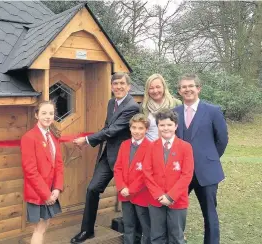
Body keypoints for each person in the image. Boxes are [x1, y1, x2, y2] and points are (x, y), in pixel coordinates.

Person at [71, 72, 140, 243]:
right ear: (111, 87)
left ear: (128, 87)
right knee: (92, 189)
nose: (118, 87)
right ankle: (87, 231)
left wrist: (87, 140)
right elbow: (107, 126)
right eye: (115, 84)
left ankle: (136, 234)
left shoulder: (132, 107)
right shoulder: (111, 103)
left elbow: (113, 130)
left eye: (122, 84)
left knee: (130, 195)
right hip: (107, 156)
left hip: (124, 159)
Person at [174, 74, 228, 244]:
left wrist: (209, 158)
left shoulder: (213, 111)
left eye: (191, 86)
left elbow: (222, 140)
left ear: (199, 88)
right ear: (179, 91)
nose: (187, 89)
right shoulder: (174, 113)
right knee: (174, 210)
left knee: (209, 214)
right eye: (183, 87)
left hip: (206, 172)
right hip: (181, 173)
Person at [143, 109, 194, 244]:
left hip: (178, 200)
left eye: (169, 125)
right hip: (155, 199)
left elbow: (187, 175)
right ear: (158, 126)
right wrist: (158, 194)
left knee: (176, 237)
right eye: (162, 125)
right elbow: (147, 173)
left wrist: (170, 196)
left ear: (176, 126)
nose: (166, 128)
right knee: (157, 237)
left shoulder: (186, 147)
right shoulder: (151, 146)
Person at [20, 101, 64, 244]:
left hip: (51, 190)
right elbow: (30, 171)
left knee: (44, 225)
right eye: (44, 113)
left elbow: (58, 164)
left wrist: (57, 188)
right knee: (40, 227)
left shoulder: (53, 136)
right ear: (36, 115)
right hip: (39, 192)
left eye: (51, 113)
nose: (48, 117)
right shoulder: (29, 137)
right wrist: (46, 195)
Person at [113, 114, 152, 244]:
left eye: (141, 128)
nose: (137, 131)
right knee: (128, 225)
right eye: (134, 127)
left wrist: (132, 189)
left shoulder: (151, 147)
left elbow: (147, 174)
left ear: (146, 129)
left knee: (145, 227)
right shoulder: (124, 145)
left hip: (141, 194)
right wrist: (122, 187)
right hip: (125, 193)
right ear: (130, 128)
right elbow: (118, 168)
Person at [141, 74, 182, 141]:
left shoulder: (176, 104)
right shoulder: (143, 107)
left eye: (158, 87)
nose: (155, 91)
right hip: (149, 148)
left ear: (164, 87)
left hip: (170, 148)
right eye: (151, 88)